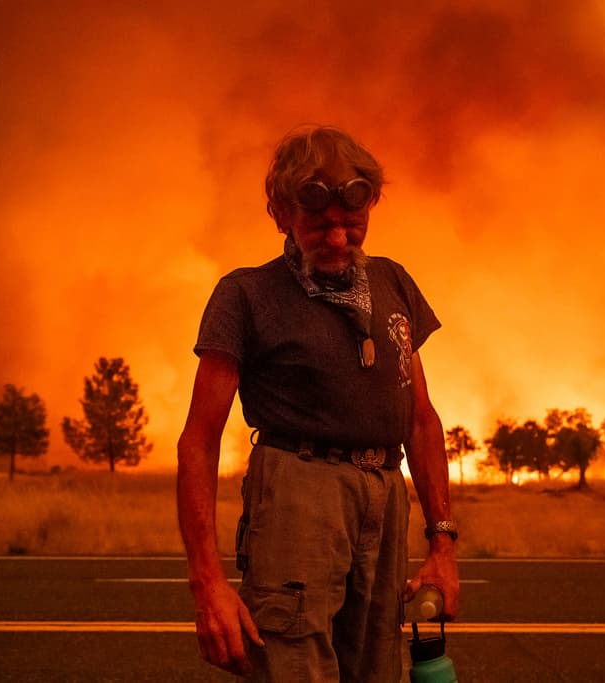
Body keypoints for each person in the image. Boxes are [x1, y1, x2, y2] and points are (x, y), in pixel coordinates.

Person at [177, 125, 460, 681]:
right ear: (281, 214)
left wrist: (442, 543)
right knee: (294, 665)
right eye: (318, 224)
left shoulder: (393, 282)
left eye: (351, 222)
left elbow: (421, 420)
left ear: (370, 206)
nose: (337, 239)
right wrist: (207, 582)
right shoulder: (245, 294)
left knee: (379, 668)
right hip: (297, 494)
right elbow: (199, 439)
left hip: (385, 492)